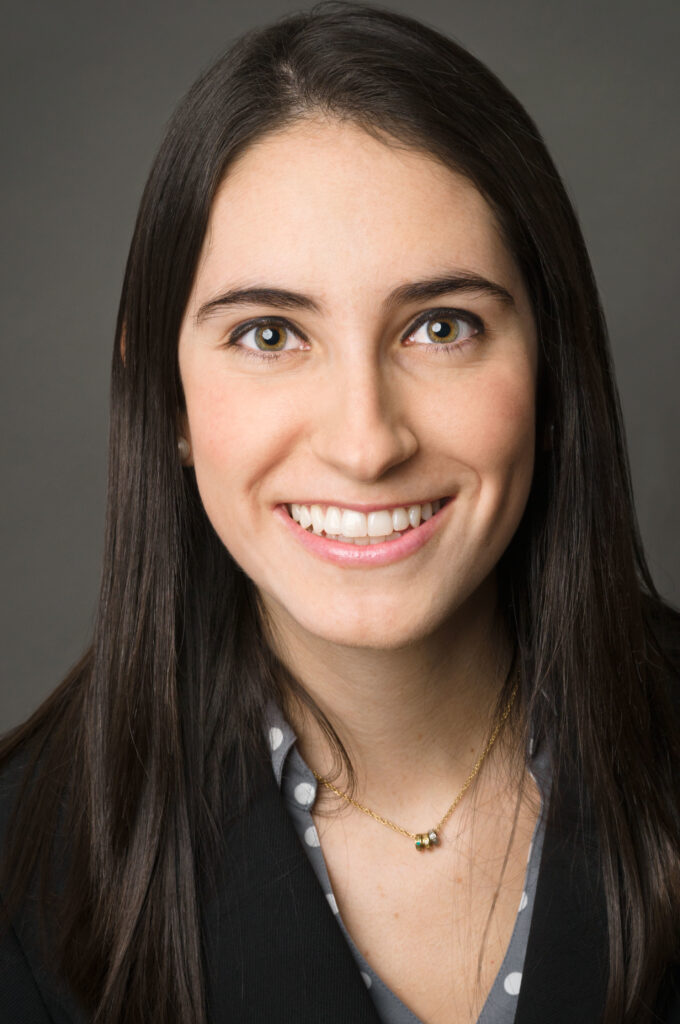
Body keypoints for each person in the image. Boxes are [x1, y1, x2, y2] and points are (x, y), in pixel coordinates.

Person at [1, 2, 678, 1022]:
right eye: (270, 335)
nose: (365, 443)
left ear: (547, 364)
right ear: (166, 398)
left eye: (439, 326)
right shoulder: (16, 871)